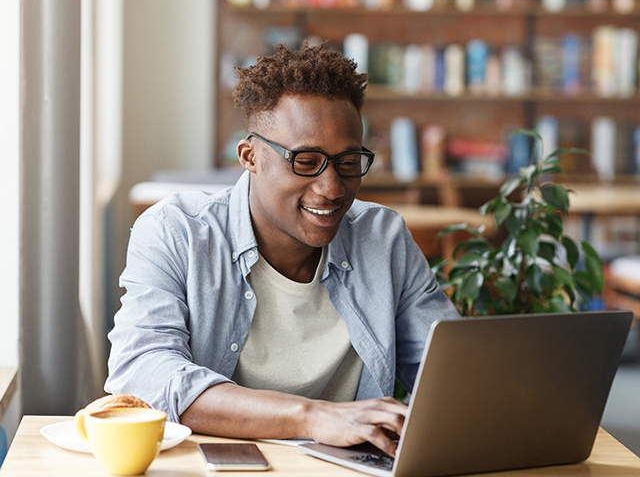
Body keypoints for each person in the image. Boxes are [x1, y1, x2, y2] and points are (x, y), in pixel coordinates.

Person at [105, 42, 459, 457]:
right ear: (250, 156)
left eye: (348, 162)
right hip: (214, 466)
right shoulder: (176, 232)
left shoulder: (383, 238)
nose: (331, 189)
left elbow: (447, 376)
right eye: (306, 161)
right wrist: (310, 416)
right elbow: (143, 373)